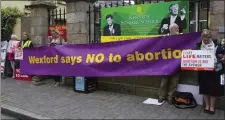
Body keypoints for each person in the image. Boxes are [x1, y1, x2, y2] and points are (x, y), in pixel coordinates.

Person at [197, 29, 224, 115]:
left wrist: (223, 58)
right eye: (203, 40)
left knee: (213, 89)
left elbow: (222, 55)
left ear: (210, 38)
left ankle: (212, 107)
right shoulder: (199, 45)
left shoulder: (217, 45)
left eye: (207, 40)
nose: (205, 41)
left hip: (214, 71)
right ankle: (207, 106)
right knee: (204, 89)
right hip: (203, 70)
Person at [158, 23, 181, 104]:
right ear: (171, 29)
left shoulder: (181, 37)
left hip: (176, 63)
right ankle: (161, 96)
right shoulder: (164, 38)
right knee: (164, 82)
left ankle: (170, 97)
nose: (178, 30)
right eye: (176, 29)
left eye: (178, 29)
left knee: (174, 82)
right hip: (166, 64)